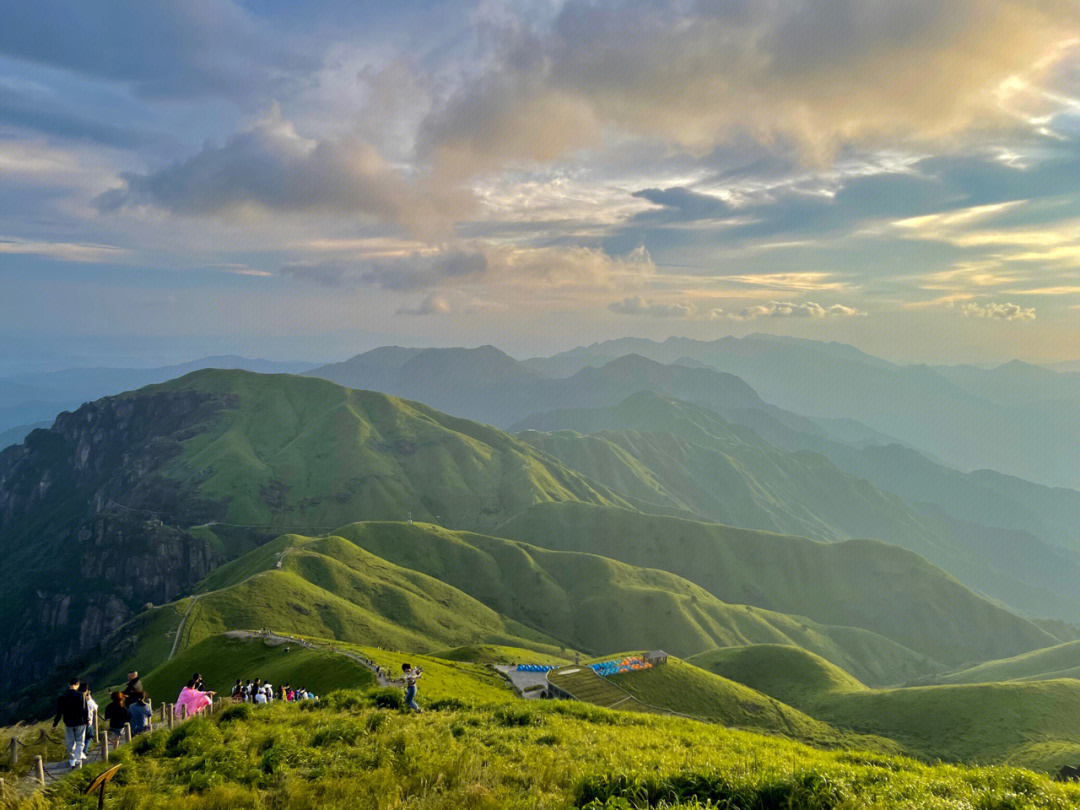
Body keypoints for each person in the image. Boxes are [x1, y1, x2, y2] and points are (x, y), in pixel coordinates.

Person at [52, 678, 89, 768]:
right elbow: (85, 710)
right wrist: (86, 720)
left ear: (69, 685)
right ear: (77, 684)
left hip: (68, 722)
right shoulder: (81, 695)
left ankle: (72, 759)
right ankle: (77, 760)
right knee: (80, 741)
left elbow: (59, 712)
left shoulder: (62, 697)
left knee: (70, 742)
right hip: (80, 722)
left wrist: (55, 724)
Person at [78, 682, 98, 760]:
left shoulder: (78, 698)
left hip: (79, 722)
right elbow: (95, 707)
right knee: (89, 736)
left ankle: (80, 752)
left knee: (80, 738)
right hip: (88, 721)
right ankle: (84, 750)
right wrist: (90, 699)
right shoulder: (88, 700)